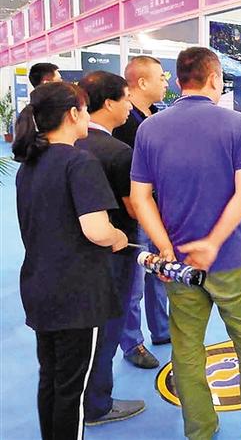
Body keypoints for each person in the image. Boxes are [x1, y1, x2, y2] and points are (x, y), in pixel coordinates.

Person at [130, 47, 241, 440]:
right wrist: (214, 243)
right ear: (215, 78)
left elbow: (140, 197)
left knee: (186, 348)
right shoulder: (236, 124)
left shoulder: (149, 128)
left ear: (179, 80)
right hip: (232, 258)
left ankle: (199, 429)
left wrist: (165, 248)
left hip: (179, 264)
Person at [13, 82, 128, 439]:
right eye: (85, 109)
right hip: (76, 295)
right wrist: (118, 236)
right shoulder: (79, 162)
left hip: (40, 286)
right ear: (73, 114)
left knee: (50, 378)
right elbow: (96, 230)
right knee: (72, 391)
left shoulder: (29, 165)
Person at [75, 71, 146, 425]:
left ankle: (85, 397)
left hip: (77, 255)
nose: (129, 106)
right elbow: (134, 208)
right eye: (125, 98)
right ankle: (98, 404)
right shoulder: (118, 152)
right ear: (108, 103)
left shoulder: (69, 144)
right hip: (115, 252)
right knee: (108, 329)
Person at [113, 55, 170, 369]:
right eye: (161, 77)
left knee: (160, 272)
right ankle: (132, 343)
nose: (166, 83)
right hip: (135, 212)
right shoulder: (124, 123)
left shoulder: (157, 116)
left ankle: (161, 329)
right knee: (134, 281)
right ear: (143, 82)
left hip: (159, 208)